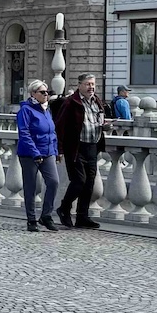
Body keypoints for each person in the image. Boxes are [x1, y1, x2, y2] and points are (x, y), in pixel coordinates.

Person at [53, 73, 105, 229]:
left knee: (89, 184)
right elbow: (60, 126)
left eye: (93, 84)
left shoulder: (96, 101)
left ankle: (82, 217)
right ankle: (64, 208)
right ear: (80, 85)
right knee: (79, 181)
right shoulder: (71, 102)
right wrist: (59, 149)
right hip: (76, 148)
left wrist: (105, 126)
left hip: (92, 146)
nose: (91, 87)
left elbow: (98, 120)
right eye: (88, 84)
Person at [15, 79, 60, 232]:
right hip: (29, 154)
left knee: (53, 182)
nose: (46, 95)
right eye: (42, 92)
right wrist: (34, 153)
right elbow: (24, 133)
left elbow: (52, 132)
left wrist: (55, 150)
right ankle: (31, 219)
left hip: (48, 152)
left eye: (47, 92)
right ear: (33, 93)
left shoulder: (46, 109)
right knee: (31, 187)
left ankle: (46, 215)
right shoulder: (26, 110)